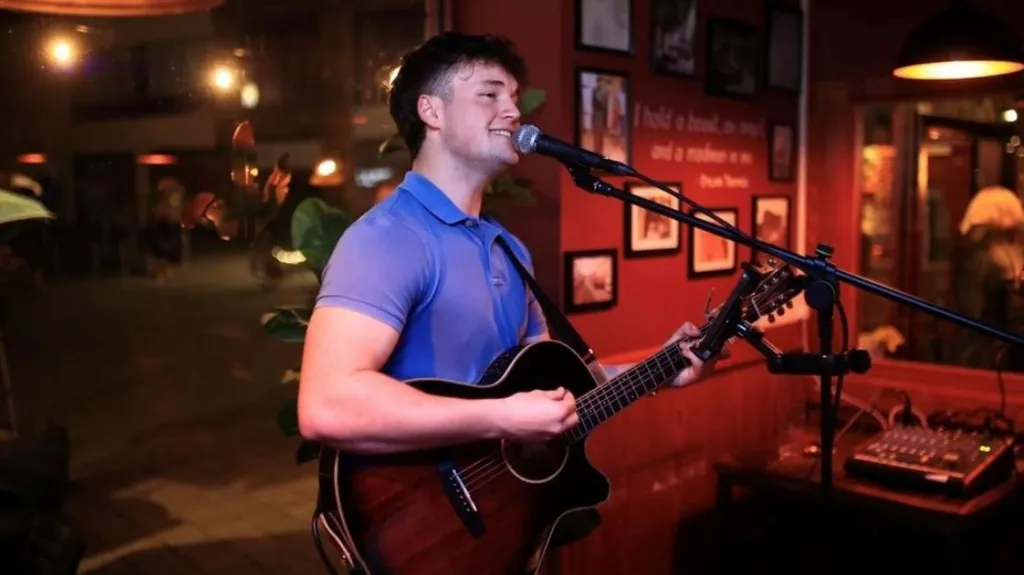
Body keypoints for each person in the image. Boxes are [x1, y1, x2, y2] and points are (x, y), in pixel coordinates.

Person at [297, 32, 724, 456]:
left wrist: (659, 370)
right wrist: (499, 417)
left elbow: (554, 392)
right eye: (490, 94)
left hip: (501, 496)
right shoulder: (386, 238)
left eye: (514, 97)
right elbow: (325, 406)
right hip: (413, 497)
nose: (514, 112)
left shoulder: (510, 250)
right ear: (431, 111)